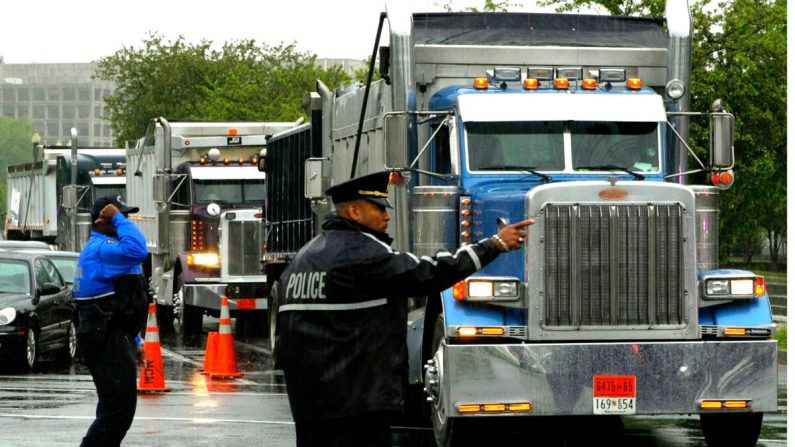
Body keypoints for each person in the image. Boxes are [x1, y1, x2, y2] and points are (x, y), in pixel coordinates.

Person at [274, 171, 533, 447]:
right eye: (379, 209)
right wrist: (494, 244)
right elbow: (429, 273)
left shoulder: (304, 258)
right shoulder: (363, 253)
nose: (387, 217)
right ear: (354, 211)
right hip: (357, 405)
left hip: (310, 406)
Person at [73, 195, 149, 447]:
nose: (125, 221)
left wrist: (135, 338)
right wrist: (115, 216)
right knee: (119, 409)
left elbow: (120, 302)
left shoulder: (108, 250)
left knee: (111, 407)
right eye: (120, 217)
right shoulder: (103, 249)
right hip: (105, 336)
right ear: (102, 222)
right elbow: (140, 249)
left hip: (112, 333)